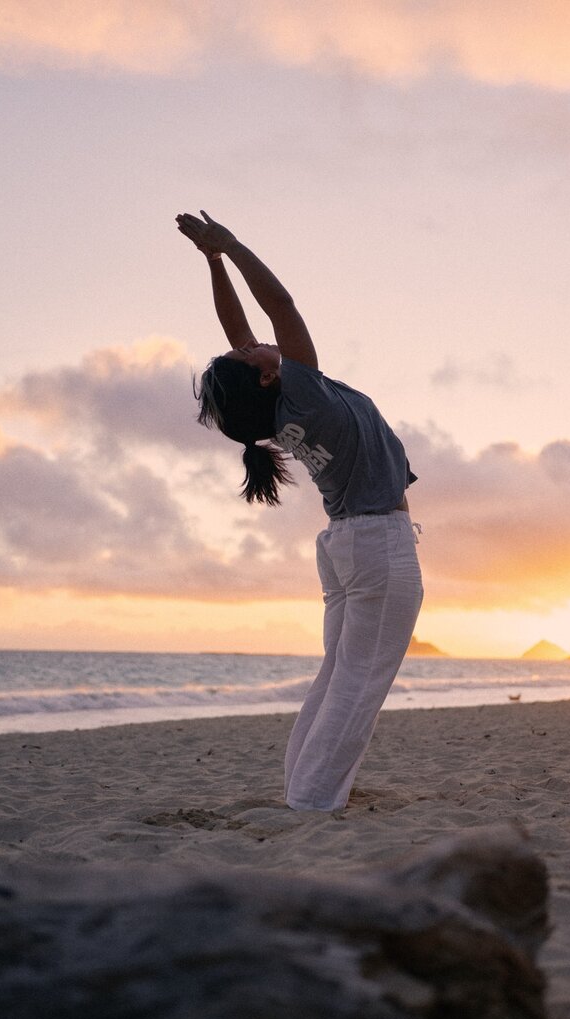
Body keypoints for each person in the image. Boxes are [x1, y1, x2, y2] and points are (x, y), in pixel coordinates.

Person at [175, 210, 424, 811]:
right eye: (251, 353)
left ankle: (302, 790)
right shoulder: (303, 393)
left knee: (338, 677)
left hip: (347, 545)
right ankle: (312, 802)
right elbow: (280, 306)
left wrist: (213, 262)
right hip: (377, 545)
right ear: (264, 376)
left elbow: (239, 328)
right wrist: (234, 246)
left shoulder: (279, 408)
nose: (254, 344)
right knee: (357, 685)